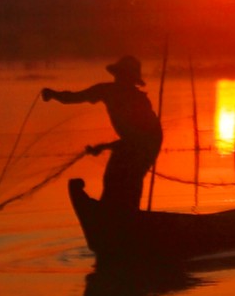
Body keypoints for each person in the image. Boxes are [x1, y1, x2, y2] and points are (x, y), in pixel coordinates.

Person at [43, 55, 163, 211]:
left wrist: (105, 147)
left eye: (126, 76)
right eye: (121, 75)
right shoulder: (107, 91)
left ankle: (126, 216)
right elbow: (76, 97)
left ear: (132, 79)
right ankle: (114, 214)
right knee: (112, 177)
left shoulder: (138, 100)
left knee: (129, 178)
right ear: (116, 75)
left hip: (148, 144)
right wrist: (54, 95)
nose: (122, 79)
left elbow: (141, 138)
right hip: (130, 142)